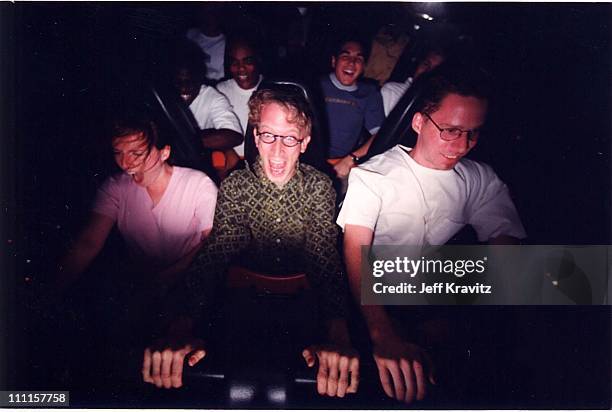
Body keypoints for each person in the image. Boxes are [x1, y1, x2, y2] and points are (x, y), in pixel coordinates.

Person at [142, 87, 359, 398]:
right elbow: (216, 253)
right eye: (269, 136)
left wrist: (338, 330)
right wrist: (182, 324)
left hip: (303, 299)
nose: (278, 150)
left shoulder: (320, 186)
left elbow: (323, 256)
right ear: (256, 138)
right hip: (245, 297)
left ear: (305, 143)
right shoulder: (235, 186)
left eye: (290, 139)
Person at [337, 65, 527, 404]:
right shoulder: (373, 177)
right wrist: (382, 333)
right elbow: (355, 251)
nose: (462, 145)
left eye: (472, 133)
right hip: (372, 297)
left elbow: (505, 243)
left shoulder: (479, 178)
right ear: (419, 122)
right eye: (451, 130)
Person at [55, 110, 218, 303]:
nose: (125, 163)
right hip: (140, 286)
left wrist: (168, 277)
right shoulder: (115, 187)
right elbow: (88, 243)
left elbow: (213, 244)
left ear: (164, 152)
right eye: (118, 153)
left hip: (191, 281)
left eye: (136, 153)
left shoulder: (198, 184)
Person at [319, 36, 385, 183]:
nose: (352, 62)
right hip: (307, 159)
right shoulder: (315, 85)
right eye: (345, 56)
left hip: (342, 165)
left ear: (363, 67)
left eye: (359, 59)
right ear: (334, 61)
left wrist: (351, 159)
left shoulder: (369, 93)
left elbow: (380, 135)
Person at [172, 44, 244, 153]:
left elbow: (234, 136)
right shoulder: (160, 95)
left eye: (189, 81)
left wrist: (181, 141)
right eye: (178, 82)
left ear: (200, 79)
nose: (183, 88)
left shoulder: (212, 98)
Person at [216, 36, 264, 158]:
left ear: (257, 61)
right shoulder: (220, 91)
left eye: (247, 62)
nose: (241, 68)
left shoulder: (270, 88)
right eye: (234, 62)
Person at [381, 48, 446, 116]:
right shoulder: (392, 91)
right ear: (418, 64)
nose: (427, 71)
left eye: (434, 70)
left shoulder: (436, 108)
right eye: (426, 64)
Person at [185, 4, 228, 82]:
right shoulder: (190, 34)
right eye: (207, 13)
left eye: (213, 13)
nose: (210, 18)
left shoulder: (227, 44)